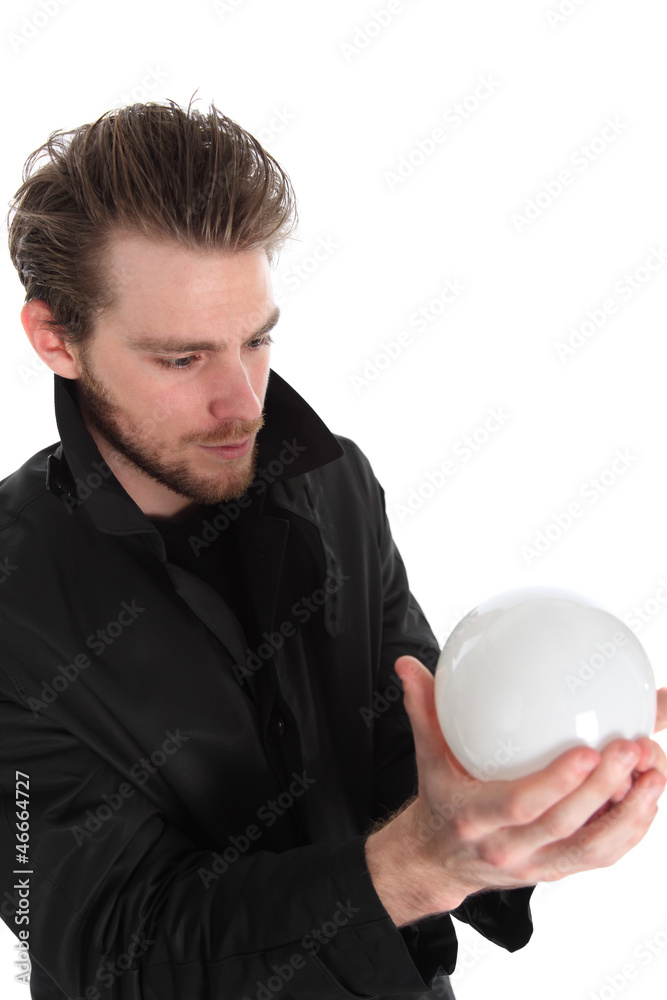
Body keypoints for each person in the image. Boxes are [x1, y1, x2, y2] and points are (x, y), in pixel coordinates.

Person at [1, 97, 665, 1000]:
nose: (243, 403)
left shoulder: (334, 482)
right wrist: (424, 863)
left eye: (256, 339)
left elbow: (410, 760)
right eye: (182, 359)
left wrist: (527, 801)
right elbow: (116, 952)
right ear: (56, 339)